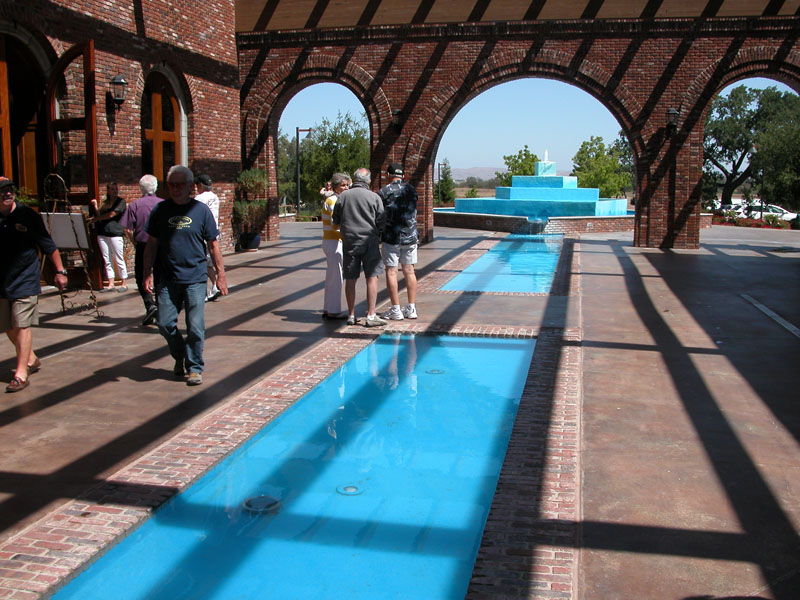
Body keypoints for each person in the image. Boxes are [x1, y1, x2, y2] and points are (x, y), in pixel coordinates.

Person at [143, 166, 228, 386]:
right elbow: (151, 244)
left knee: (195, 326)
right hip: (167, 278)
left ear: (191, 187)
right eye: (172, 184)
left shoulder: (201, 211)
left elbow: (213, 245)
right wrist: (146, 273)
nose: (176, 189)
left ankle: (194, 367)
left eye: (180, 184)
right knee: (164, 323)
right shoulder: (160, 210)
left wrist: (221, 275)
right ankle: (181, 354)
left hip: (195, 278)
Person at [0, 177, 68, 392]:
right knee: (7, 326)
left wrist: (60, 271)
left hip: (25, 278)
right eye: (2, 191)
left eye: (10, 190)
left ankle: (21, 373)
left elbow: (48, 245)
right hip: (2, 280)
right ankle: (30, 357)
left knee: (21, 325)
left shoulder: (27, 216)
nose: (7, 194)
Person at [332, 168, 386, 327]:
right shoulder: (374, 197)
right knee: (372, 277)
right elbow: (381, 221)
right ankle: (371, 314)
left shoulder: (343, 196)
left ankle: (351, 314)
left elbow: (336, 220)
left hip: (349, 242)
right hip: (369, 241)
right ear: (368, 181)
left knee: (350, 278)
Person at [378, 162, 419, 320]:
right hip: (410, 236)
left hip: (391, 237)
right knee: (410, 271)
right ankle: (411, 307)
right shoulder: (412, 190)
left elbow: (379, 215)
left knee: (392, 271)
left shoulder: (384, 191)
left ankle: (395, 309)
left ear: (388, 175)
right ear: (403, 175)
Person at [121, 174, 162, 325]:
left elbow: (127, 228)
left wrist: (135, 242)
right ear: (156, 187)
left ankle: (149, 304)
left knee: (141, 276)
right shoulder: (162, 204)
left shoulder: (135, 205)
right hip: (160, 246)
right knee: (159, 276)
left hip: (143, 244)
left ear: (141, 188)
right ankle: (158, 307)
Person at [320, 173, 350, 319]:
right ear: (335, 186)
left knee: (332, 276)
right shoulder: (333, 201)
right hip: (334, 241)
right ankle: (333, 310)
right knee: (336, 276)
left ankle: (329, 307)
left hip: (332, 241)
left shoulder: (336, 199)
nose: (346, 187)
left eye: (347, 185)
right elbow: (335, 224)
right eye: (343, 185)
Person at [89, 183, 128, 292]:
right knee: (107, 258)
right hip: (103, 233)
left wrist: (97, 219)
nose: (115, 191)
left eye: (116, 189)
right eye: (112, 189)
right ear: (108, 191)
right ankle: (111, 283)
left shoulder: (121, 202)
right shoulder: (104, 203)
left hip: (115, 233)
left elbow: (112, 214)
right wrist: (96, 206)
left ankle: (123, 282)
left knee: (118, 257)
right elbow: (99, 216)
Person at [194, 174, 221, 302]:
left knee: (203, 263)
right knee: (209, 262)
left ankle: (210, 287)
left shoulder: (199, 199)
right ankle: (215, 285)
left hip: (202, 234)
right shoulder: (215, 197)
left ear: (200, 186)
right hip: (213, 233)